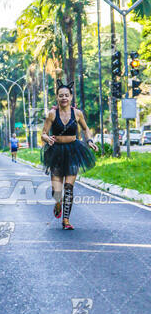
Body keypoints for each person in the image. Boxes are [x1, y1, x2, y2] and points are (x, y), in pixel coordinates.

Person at [40, 80, 98, 230]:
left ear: (71, 97)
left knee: (69, 188)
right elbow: (43, 133)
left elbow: (86, 129)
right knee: (57, 191)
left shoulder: (77, 113)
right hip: (56, 152)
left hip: (73, 151)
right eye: (61, 95)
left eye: (66, 95)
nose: (64, 98)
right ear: (57, 98)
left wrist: (90, 140)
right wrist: (47, 138)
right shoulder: (52, 114)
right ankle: (58, 202)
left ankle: (66, 220)